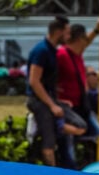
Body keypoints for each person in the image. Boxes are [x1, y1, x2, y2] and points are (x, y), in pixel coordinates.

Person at [26, 15, 87, 167]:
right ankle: (51, 172)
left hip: (50, 99)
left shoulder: (53, 51)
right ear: (58, 32)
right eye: (67, 32)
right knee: (49, 143)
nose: (69, 36)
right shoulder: (41, 51)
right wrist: (52, 105)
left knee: (80, 126)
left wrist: (57, 101)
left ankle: (55, 127)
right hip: (39, 101)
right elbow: (34, 81)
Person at [55, 20, 99, 167]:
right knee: (68, 146)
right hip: (67, 106)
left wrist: (96, 30)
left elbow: (88, 41)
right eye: (85, 39)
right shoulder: (61, 54)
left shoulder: (77, 54)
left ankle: (72, 146)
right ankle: (68, 167)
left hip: (80, 104)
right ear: (79, 39)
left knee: (95, 130)